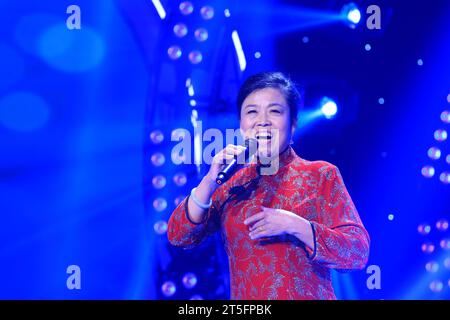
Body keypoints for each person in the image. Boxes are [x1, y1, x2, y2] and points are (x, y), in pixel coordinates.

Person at [167, 71, 370, 300]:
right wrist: (209, 181)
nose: (262, 121)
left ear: (293, 122)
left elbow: (357, 253)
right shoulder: (231, 181)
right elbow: (178, 235)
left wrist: (297, 226)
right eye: (252, 112)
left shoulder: (320, 174)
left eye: (275, 111)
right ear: (242, 124)